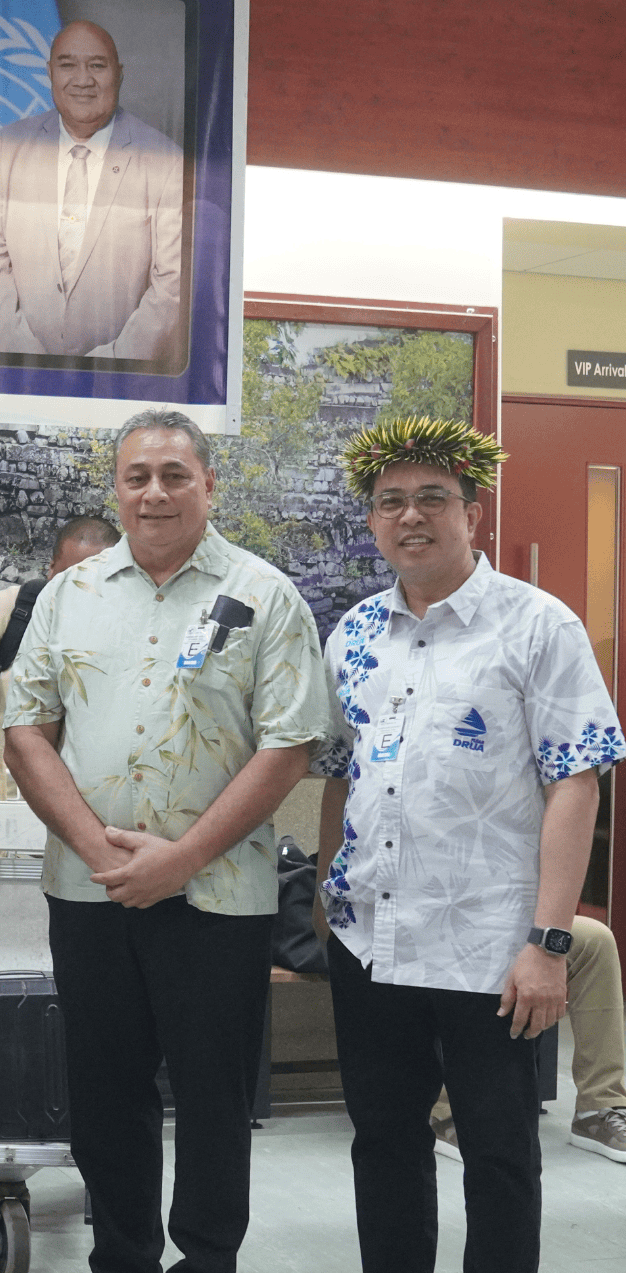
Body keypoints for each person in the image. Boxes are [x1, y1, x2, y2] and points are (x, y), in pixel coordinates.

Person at [0, 408, 336, 1273]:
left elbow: (289, 746)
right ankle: (122, 1254)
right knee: (106, 1094)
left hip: (218, 900)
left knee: (215, 1096)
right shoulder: (67, 597)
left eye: (175, 475)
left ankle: (209, 1258)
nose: (154, 493)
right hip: (91, 891)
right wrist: (101, 851)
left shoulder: (266, 596)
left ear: (209, 485)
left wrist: (181, 860)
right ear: (116, 488)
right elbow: (27, 731)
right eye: (137, 476)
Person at [313, 416, 621, 1272]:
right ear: (372, 522)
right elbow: (341, 771)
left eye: (432, 499)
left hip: (493, 948)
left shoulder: (537, 626)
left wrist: (549, 944)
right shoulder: (354, 636)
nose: (411, 517)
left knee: (499, 1153)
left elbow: (576, 782)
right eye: (391, 502)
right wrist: (326, 897)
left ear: (472, 513)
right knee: (383, 1143)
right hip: (370, 940)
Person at [0, 19, 184, 363]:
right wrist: (26, 358)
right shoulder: (11, 144)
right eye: (68, 65)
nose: (83, 80)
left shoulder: (166, 160)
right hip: (21, 374)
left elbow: (173, 283)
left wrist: (111, 364)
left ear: (120, 73)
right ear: (50, 72)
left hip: (120, 380)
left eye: (97, 65)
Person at [428, 915, 626, 1164]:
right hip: (439, 920)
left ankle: (598, 1107)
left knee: (595, 940)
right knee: (467, 944)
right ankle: (445, 1112)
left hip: (512, 913)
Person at [0, 514, 120, 729]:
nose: (84, 592)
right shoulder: (6, 611)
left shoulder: (132, 634)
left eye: (98, 582)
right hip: (5, 762)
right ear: (51, 569)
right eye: (71, 579)